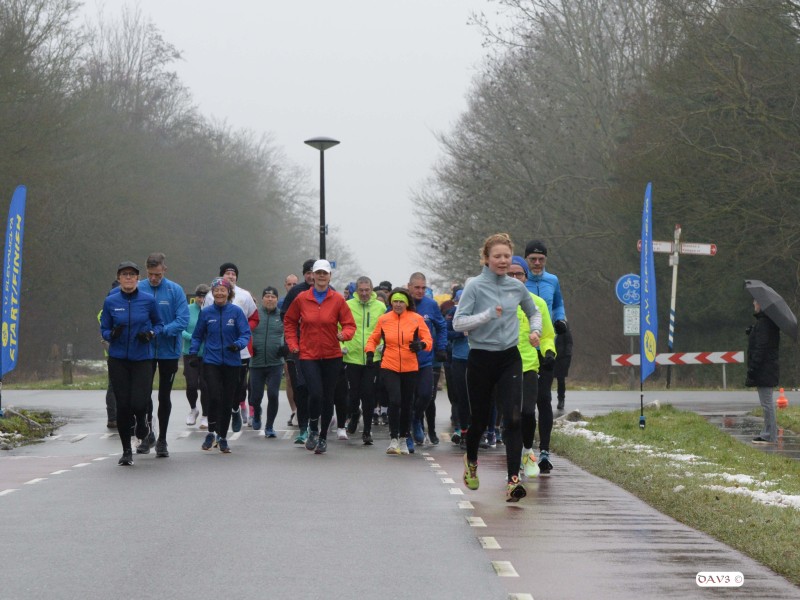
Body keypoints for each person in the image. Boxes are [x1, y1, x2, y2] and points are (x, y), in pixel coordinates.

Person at [453, 233, 541, 502]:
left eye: (506, 256)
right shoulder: (475, 287)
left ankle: (513, 480)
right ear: (487, 259)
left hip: (509, 357)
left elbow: (533, 311)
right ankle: (471, 461)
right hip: (481, 358)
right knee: (478, 421)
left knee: (513, 418)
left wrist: (535, 330)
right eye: (497, 256)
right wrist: (488, 315)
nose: (503, 261)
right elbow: (458, 323)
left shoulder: (517, 287)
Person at [283, 259, 356, 454]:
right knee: (315, 393)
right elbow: (289, 321)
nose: (322, 276)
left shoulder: (338, 299)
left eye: (325, 273)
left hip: (332, 355)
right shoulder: (302, 298)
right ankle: (313, 428)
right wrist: (293, 344)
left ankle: (323, 436)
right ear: (312, 276)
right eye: (318, 273)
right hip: (308, 354)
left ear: (330, 276)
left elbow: (350, 324)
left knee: (328, 397)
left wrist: (345, 335)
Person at [100, 261, 164, 466]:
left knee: (139, 401)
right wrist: (112, 334)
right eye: (124, 274)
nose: (128, 278)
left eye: (132, 275)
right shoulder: (111, 301)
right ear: (119, 278)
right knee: (123, 405)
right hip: (118, 359)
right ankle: (126, 451)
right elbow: (104, 328)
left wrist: (151, 334)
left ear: (138, 278)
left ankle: (143, 426)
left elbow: (159, 323)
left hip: (142, 358)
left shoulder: (147, 300)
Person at [365, 287, 432, 455]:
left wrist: (421, 345)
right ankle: (394, 438)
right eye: (395, 301)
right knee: (395, 400)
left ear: (407, 303)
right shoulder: (384, 319)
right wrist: (370, 353)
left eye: (401, 301)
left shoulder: (416, 319)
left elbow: (428, 340)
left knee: (407, 403)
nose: (398, 304)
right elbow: (373, 339)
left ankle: (403, 437)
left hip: (410, 366)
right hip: (389, 364)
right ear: (391, 302)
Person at [189, 277, 251, 453]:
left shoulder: (236, 312)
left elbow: (245, 333)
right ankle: (210, 432)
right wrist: (194, 353)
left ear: (228, 293)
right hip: (212, 361)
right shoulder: (207, 312)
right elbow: (197, 335)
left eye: (223, 290)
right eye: (216, 290)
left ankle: (222, 437)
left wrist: (238, 344)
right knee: (214, 396)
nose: (219, 293)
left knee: (227, 400)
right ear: (212, 293)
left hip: (232, 362)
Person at [137, 253, 189, 458]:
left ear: (164, 270)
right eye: (150, 274)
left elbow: (182, 320)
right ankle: (147, 434)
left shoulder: (174, 290)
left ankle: (163, 440)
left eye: (157, 274)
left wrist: (161, 330)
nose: (153, 279)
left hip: (168, 350)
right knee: (143, 394)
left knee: (164, 394)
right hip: (145, 350)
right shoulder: (140, 288)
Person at [508, 256, 556, 478]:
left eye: (519, 274)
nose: (515, 278)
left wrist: (548, 352)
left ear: (526, 277)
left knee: (528, 412)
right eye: (510, 274)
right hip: (504, 367)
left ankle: (528, 451)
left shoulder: (538, 303)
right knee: (512, 417)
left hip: (529, 366)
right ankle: (514, 460)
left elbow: (547, 335)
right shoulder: (495, 302)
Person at [205, 263, 259, 432]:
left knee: (239, 386)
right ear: (221, 277)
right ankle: (221, 419)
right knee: (218, 388)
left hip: (240, 350)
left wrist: (242, 331)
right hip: (216, 351)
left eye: (233, 274)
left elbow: (254, 318)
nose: (231, 276)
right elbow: (204, 321)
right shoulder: (210, 295)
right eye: (227, 273)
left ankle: (235, 408)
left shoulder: (245, 295)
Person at [342, 276, 385, 445]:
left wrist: (382, 344)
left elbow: (385, 329)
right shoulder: (348, 306)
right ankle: (354, 415)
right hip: (351, 356)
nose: (365, 293)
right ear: (356, 291)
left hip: (372, 357)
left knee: (368, 394)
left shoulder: (380, 307)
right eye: (361, 290)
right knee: (353, 395)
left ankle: (367, 431)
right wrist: (341, 344)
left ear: (372, 290)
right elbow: (339, 327)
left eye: (367, 290)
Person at [408, 272, 448, 448]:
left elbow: (441, 326)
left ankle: (417, 419)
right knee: (408, 398)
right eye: (416, 287)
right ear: (409, 287)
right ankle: (408, 430)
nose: (420, 291)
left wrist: (441, 347)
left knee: (426, 395)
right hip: (404, 360)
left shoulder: (431, 305)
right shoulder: (400, 303)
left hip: (425, 359)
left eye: (423, 288)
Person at [281, 259, 316, 444]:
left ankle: (316, 426)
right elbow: (285, 316)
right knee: (300, 389)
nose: (312, 276)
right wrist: (293, 337)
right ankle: (303, 427)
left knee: (316, 390)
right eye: (308, 272)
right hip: (298, 349)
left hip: (319, 349)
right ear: (304, 274)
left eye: (315, 272)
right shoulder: (296, 291)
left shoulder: (330, 292)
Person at [250, 286, 286, 437]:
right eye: (267, 296)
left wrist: (285, 348)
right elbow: (246, 331)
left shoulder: (282, 315)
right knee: (255, 397)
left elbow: (289, 333)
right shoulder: (254, 314)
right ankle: (256, 413)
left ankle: (269, 426)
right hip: (256, 363)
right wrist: (250, 347)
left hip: (275, 363)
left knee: (273, 394)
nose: (270, 299)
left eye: (273, 297)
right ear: (262, 298)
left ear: (277, 299)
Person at [746, 299, 781, 444]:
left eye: (755, 302)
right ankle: (768, 432)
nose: (753, 304)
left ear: (761, 305)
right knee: (767, 403)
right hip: (767, 367)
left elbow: (761, 347)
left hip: (764, 368)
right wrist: (752, 332)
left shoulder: (764, 324)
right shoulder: (766, 322)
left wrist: (753, 366)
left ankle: (770, 435)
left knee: (767, 403)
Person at [182, 284, 210, 429]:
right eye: (199, 296)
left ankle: (205, 415)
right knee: (192, 384)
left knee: (205, 385)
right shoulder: (188, 309)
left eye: (204, 296)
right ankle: (193, 409)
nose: (201, 299)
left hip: (207, 354)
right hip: (190, 353)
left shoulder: (211, 310)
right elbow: (181, 329)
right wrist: (193, 337)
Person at [279, 273, 299, 425]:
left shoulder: (302, 299)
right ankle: (294, 410)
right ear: (285, 285)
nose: (292, 287)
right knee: (290, 379)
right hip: (285, 344)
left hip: (299, 343)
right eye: (289, 284)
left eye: (295, 284)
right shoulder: (280, 303)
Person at [554, 319, 573, 411]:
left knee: (560, 380)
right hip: (548, 356)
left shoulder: (563, 326)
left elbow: (569, 343)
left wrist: (567, 357)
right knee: (544, 380)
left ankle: (561, 400)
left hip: (561, 358)